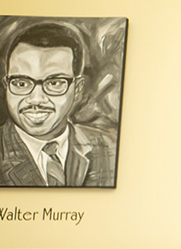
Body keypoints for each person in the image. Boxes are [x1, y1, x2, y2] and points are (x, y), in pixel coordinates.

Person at [1, 22, 117, 187]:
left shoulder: (110, 147)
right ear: (6, 86)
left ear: (77, 89)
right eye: (21, 83)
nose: (36, 99)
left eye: (54, 83)